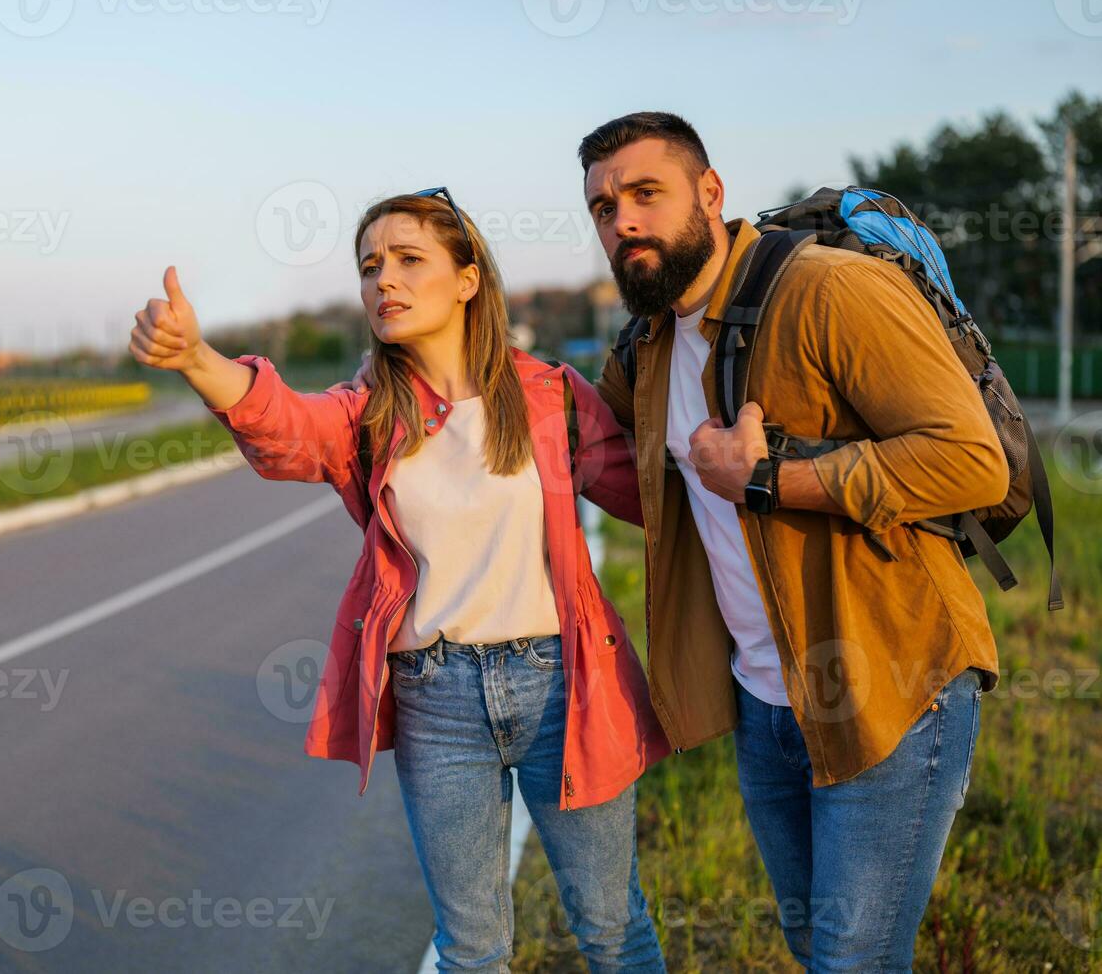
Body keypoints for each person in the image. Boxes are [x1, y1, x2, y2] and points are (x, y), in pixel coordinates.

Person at [129, 189, 670, 972]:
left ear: (466, 279)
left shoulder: (551, 396)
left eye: (410, 259)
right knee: (473, 947)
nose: (384, 279)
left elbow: (654, 499)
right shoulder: (370, 412)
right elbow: (286, 430)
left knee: (614, 929)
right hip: (435, 699)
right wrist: (197, 359)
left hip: (564, 684)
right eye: (370, 265)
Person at [580, 111, 1004, 971]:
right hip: (764, 705)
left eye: (645, 194)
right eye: (601, 207)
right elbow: (594, 446)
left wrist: (771, 479)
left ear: (710, 194)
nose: (622, 222)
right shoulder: (650, 343)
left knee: (853, 960)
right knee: (816, 945)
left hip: (894, 681)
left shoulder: (829, 291)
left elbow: (970, 462)